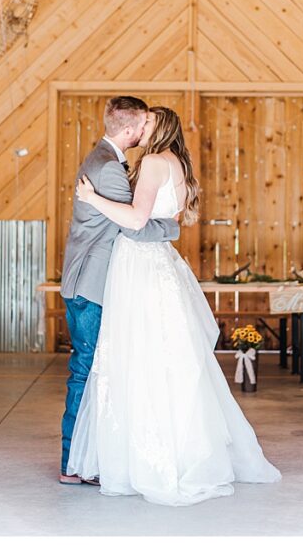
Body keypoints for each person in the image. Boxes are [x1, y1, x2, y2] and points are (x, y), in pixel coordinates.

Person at [66, 106, 281, 506]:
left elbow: (134, 219)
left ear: (158, 126)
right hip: (161, 262)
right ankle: (185, 450)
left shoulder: (150, 163)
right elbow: (167, 219)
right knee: (168, 360)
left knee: (137, 357)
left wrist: (91, 198)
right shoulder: (178, 162)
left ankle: (143, 459)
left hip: (140, 266)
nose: (139, 127)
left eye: (146, 122)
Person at [58, 96, 180, 485]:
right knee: (88, 371)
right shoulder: (110, 169)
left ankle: (84, 460)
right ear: (130, 129)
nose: (147, 130)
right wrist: (172, 228)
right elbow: (134, 225)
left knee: (91, 369)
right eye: (144, 123)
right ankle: (73, 464)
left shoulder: (104, 159)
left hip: (86, 282)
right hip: (90, 286)